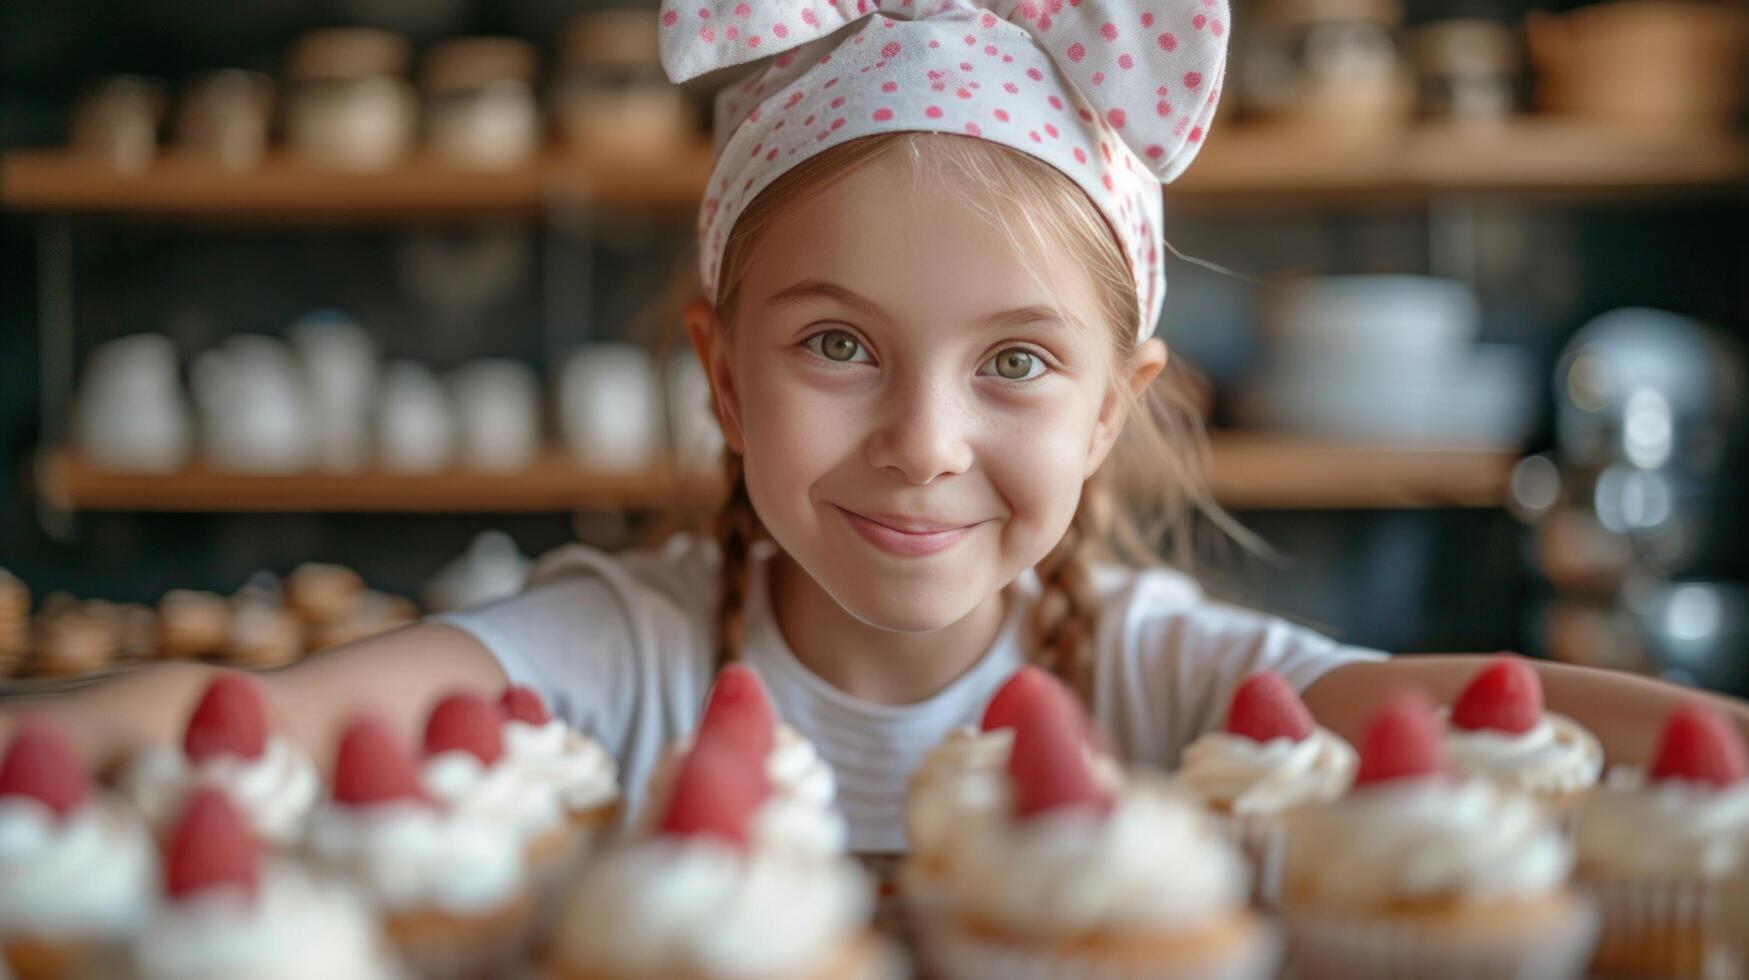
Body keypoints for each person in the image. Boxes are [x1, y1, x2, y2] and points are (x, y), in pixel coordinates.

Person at [5, 0, 1742, 854]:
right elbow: (263, 719)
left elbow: (1500, 718)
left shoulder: (1173, 681)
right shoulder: (619, 656)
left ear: (1118, 408)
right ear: (718, 369)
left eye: (1011, 364)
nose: (922, 441)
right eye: (838, 342)